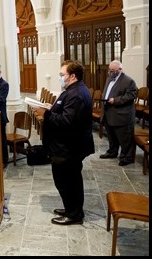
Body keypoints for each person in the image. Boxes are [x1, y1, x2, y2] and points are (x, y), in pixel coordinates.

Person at [41, 60, 94, 225]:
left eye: (62, 75)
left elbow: (66, 122)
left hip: (69, 147)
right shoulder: (72, 90)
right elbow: (64, 109)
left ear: (73, 76)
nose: (60, 77)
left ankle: (74, 214)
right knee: (68, 180)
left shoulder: (77, 94)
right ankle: (72, 208)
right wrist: (52, 107)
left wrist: (47, 113)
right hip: (66, 145)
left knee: (67, 181)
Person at [99, 60, 138, 166]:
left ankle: (127, 157)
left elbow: (131, 95)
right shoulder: (109, 78)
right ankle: (112, 152)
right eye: (109, 70)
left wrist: (115, 100)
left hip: (121, 114)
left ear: (120, 70)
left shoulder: (128, 81)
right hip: (109, 113)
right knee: (111, 136)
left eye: (113, 70)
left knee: (124, 138)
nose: (110, 72)